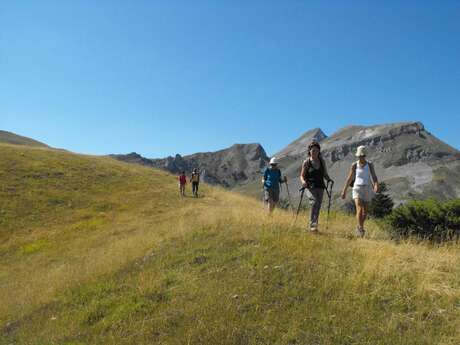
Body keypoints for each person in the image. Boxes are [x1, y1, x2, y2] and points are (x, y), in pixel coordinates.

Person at [341, 145, 379, 237]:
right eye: (359, 156)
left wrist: (376, 185)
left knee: (365, 212)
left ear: (365, 155)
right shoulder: (354, 165)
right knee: (359, 209)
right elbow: (349, 178)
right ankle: (361, 229)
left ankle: (360, 227)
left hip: (367, 188)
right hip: (357, 188)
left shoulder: (370, 164)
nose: (360, 157)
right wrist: (344, 190)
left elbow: (374, 176)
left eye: (362, 156)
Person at [300, 141, 333, 232]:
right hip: (310, 186)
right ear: (309, 151)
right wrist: (303, 182)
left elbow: (325, 174)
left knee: (318, 205)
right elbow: (302, 175)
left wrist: (329, 179)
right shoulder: (306, 162)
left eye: (316, 150)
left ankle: (315, 225)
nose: (314, 152)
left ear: (319, 151)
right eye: (313, 150)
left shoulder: (322, 161)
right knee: (314, 202)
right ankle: (312, 225)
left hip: (320, 186)